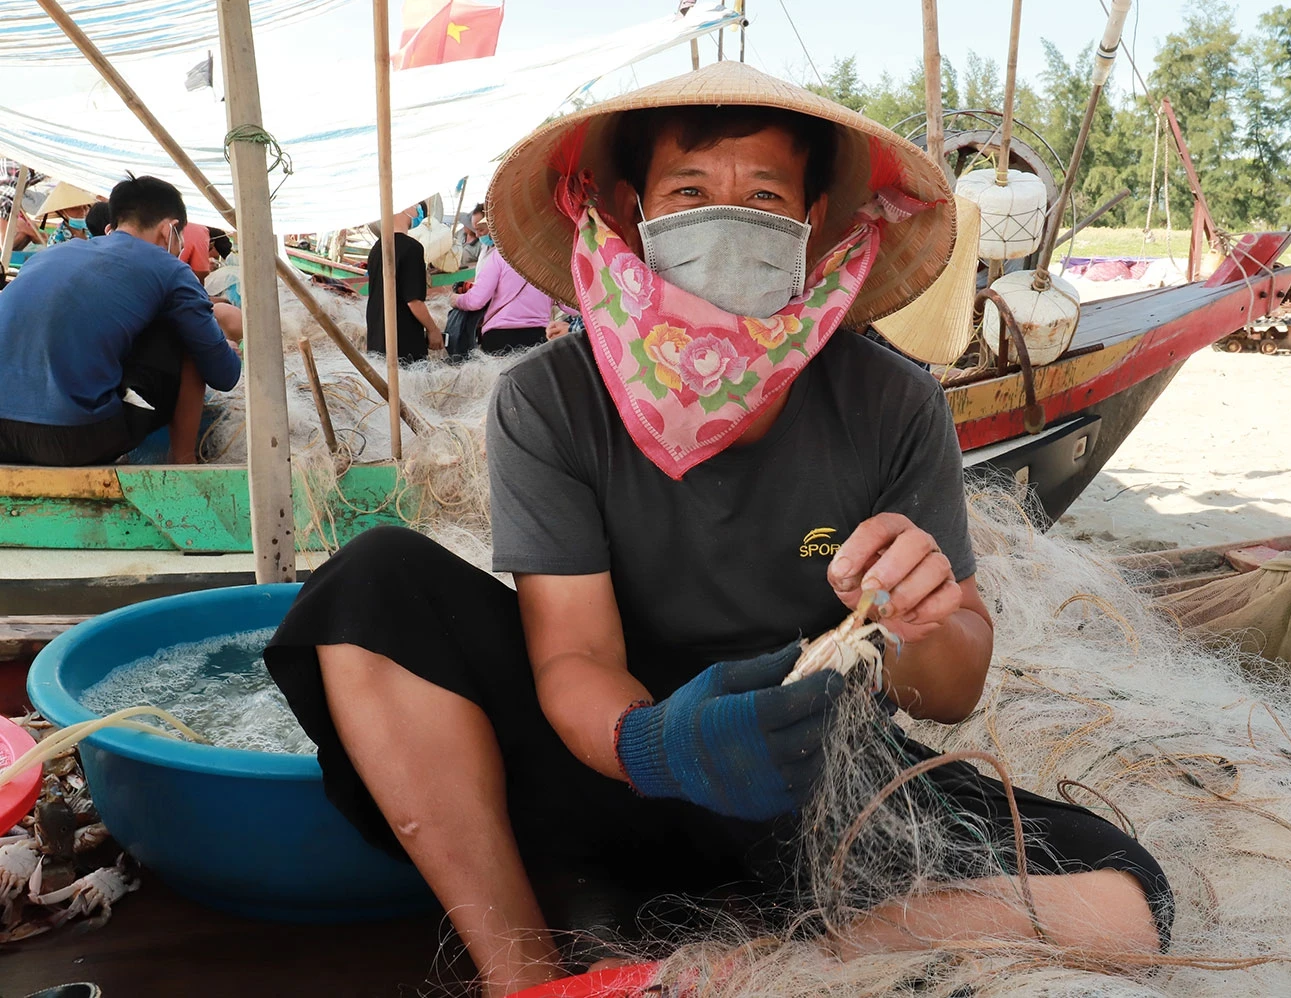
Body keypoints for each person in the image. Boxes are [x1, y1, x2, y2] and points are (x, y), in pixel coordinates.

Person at [264, 63, 1171, 997]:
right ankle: (526, 979)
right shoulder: (551, 398)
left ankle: (766, 966)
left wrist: (926, 621)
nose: (724, 220)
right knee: (368, 585)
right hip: (615, 759)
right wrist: (661, 745)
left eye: (763, 197)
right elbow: (571, 655)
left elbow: (952, 691)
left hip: (815, 773)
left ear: (814, 219)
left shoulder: (894, 405)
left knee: (1123, 900)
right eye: (690, 194)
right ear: (631, 211)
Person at [0, 175, 242, 466]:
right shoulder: (171, 270)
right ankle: (184, 461)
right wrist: (225, 349)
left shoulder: (48, 256)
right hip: (72, 438)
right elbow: (224, 375)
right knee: (187, 335)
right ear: (170, 230)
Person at [448, 234, 553, 352]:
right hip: (540, 338)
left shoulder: (500, 256)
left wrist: (455, 299)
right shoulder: (553, 262)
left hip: (500, 338)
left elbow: (476, 301)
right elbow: (571, 308)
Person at [365, 205, 442, 363]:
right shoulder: (412, 249)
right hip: (403, 341)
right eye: (417, 207)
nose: (419, 212)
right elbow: (414, 301)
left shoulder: (376, 248)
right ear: (405, 208)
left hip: (378, 337)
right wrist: (433, 330)